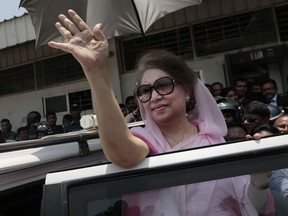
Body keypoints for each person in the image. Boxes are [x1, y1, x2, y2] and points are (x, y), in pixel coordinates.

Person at [48, 9, 274, 215]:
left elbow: (251, 206)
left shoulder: (215, 144)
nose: (154, 96)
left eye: (164, 85)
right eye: (145, 90)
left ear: (187, 90)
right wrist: (96, 72)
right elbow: (122, 153)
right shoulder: (147, 143)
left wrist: (260, 178)